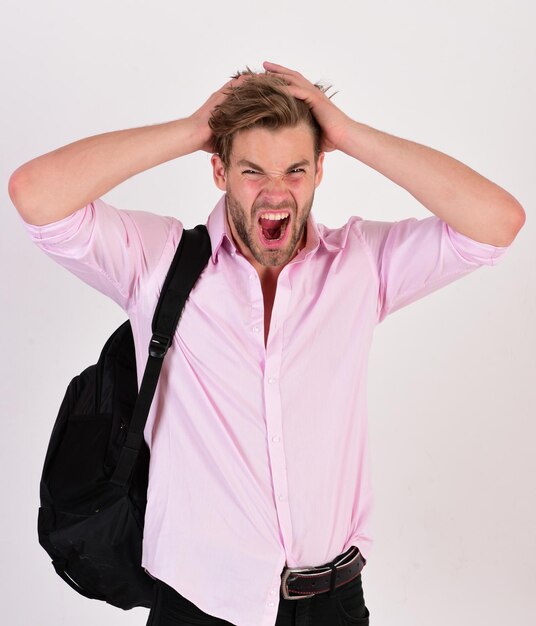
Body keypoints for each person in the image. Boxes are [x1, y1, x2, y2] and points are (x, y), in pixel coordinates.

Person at [9, 62, 525, 626]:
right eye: (252, 170)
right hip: (198, 605)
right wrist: (191, 128)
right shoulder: (157, 262)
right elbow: (35, 195)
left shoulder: (359, 265)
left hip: (332, 603)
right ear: (219, 171)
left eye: (296, 169)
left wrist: (348, 132)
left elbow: (496, 223)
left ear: (320, 169)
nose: (276, 191)